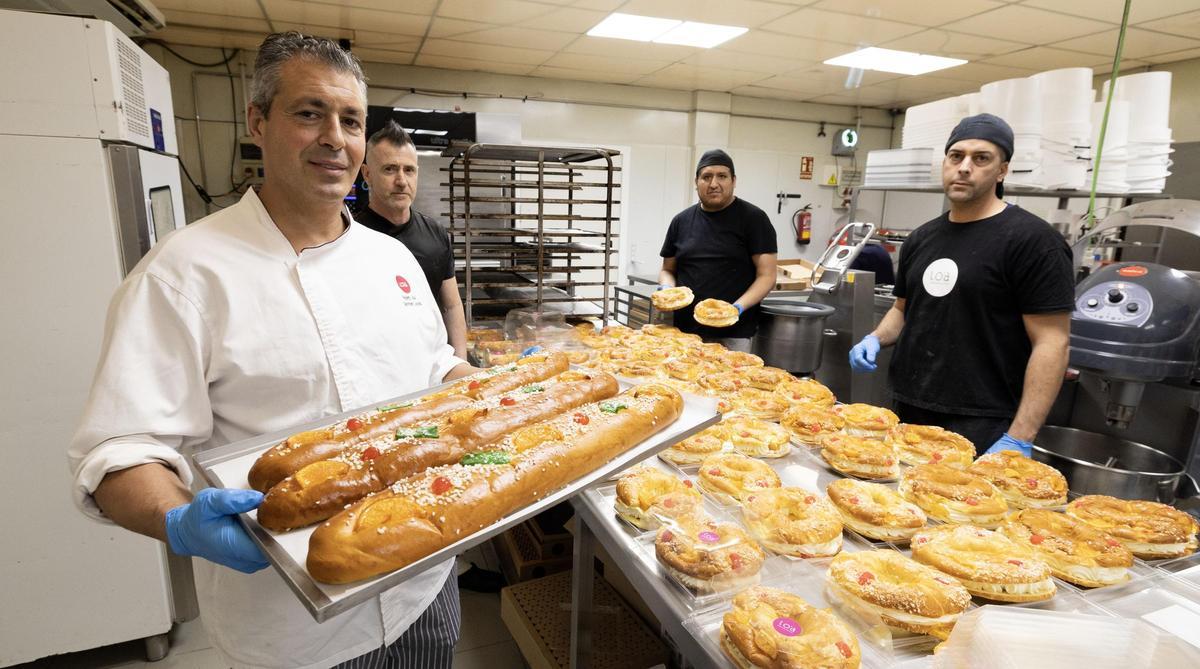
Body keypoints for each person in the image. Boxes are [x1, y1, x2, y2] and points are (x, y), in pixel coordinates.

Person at [67, 32, 474, 669]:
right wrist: (180, 519)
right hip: (292, 630)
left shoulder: (393, 259)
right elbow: (116, 452)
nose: (335, 138)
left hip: (424, 583)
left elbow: (432, 365)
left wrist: (473, 382)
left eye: (351, 121)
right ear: (258, 122)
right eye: (309, 113)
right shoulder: (184, 273)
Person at [848, 113, 1073, 456]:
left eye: (981, 158)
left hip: (983, 419)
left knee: (963, 511)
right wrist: (875, 338)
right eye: (956, 156)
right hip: (909, 406)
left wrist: (1021, 435)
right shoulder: (922, 238)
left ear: (1002, 170)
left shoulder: (1033, 241)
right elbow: (902, 310)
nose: (964, 167)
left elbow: (1052, 341)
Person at [358, 121, 468, 358]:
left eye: (409, 170)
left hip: (435, 365)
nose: (401, 181)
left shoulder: (436, 233)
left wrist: (460, 361)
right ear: (367, 174)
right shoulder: (350, 236)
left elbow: (452, 305)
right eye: (389, 169)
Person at [659, 149, 778, 352]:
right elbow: (668, 269)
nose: (714, 184)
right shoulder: (681, 221)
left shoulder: (754, 219)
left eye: (722, 176)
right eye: (706, 177)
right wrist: (667, 290)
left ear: (733, 180)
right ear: (696, 182)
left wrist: (736, 308)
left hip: (733, 334)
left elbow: (767, 276)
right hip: (685, 333)